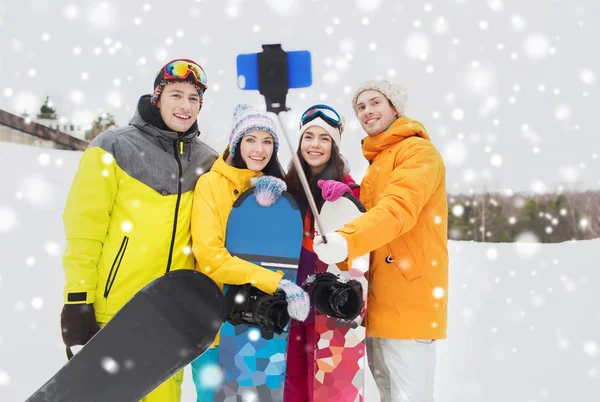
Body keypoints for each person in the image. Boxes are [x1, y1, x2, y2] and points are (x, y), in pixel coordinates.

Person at [59, 59, 218, 401]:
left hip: (172, 315)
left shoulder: (209, 161)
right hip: (114, 312)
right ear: (157, 97)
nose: (185, 106)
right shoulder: (113, 146)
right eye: (176, 95)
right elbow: (84, 230)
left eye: (194, 98)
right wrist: (77, 299)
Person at [313, 80, 449, 402]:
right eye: (360, 107)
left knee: (410, 396)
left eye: (375, 102)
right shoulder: (377, 163)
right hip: (379, 302)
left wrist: (347, 239)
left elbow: (398, 209)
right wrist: (351, 199)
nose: (367, 111)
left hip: (408, 299)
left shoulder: (418, 152)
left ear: (394, 107)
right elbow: (375, 215)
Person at [190, 104, 311, 401]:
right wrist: (276, 281)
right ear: (236, 143)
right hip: (214, 326)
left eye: (267, 141)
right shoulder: (210, 184)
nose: (260, 149)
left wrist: (271, 208)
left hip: (258, 325)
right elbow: (210, 256)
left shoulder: (274, 192)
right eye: (251, 139)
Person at [283, 104, 360, 402]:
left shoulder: (347, 188)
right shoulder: (289, 185)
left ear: (335, 146)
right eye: (309, 137)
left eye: (324, 138)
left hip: (330, 304)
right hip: (292, 301)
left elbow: (359, 227)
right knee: (293, 384)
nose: (315, 145)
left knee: (330, 386)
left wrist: (345, 198)